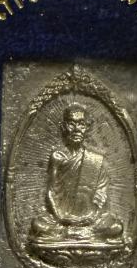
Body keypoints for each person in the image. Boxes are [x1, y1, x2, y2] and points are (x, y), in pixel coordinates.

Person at [30, 103, 123, 243]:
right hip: (61, 219)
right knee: (38, 225)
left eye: (81, 124)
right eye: (71, 124)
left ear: (87, 128)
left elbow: (101, 195)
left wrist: (92, 217)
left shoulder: (96, 160)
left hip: (91, 220)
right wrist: (61, 217)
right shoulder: (57, 157)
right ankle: (80, 235)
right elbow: (51, 192)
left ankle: (75, 234)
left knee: (116, 227)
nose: (76, 129)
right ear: (63, 127)